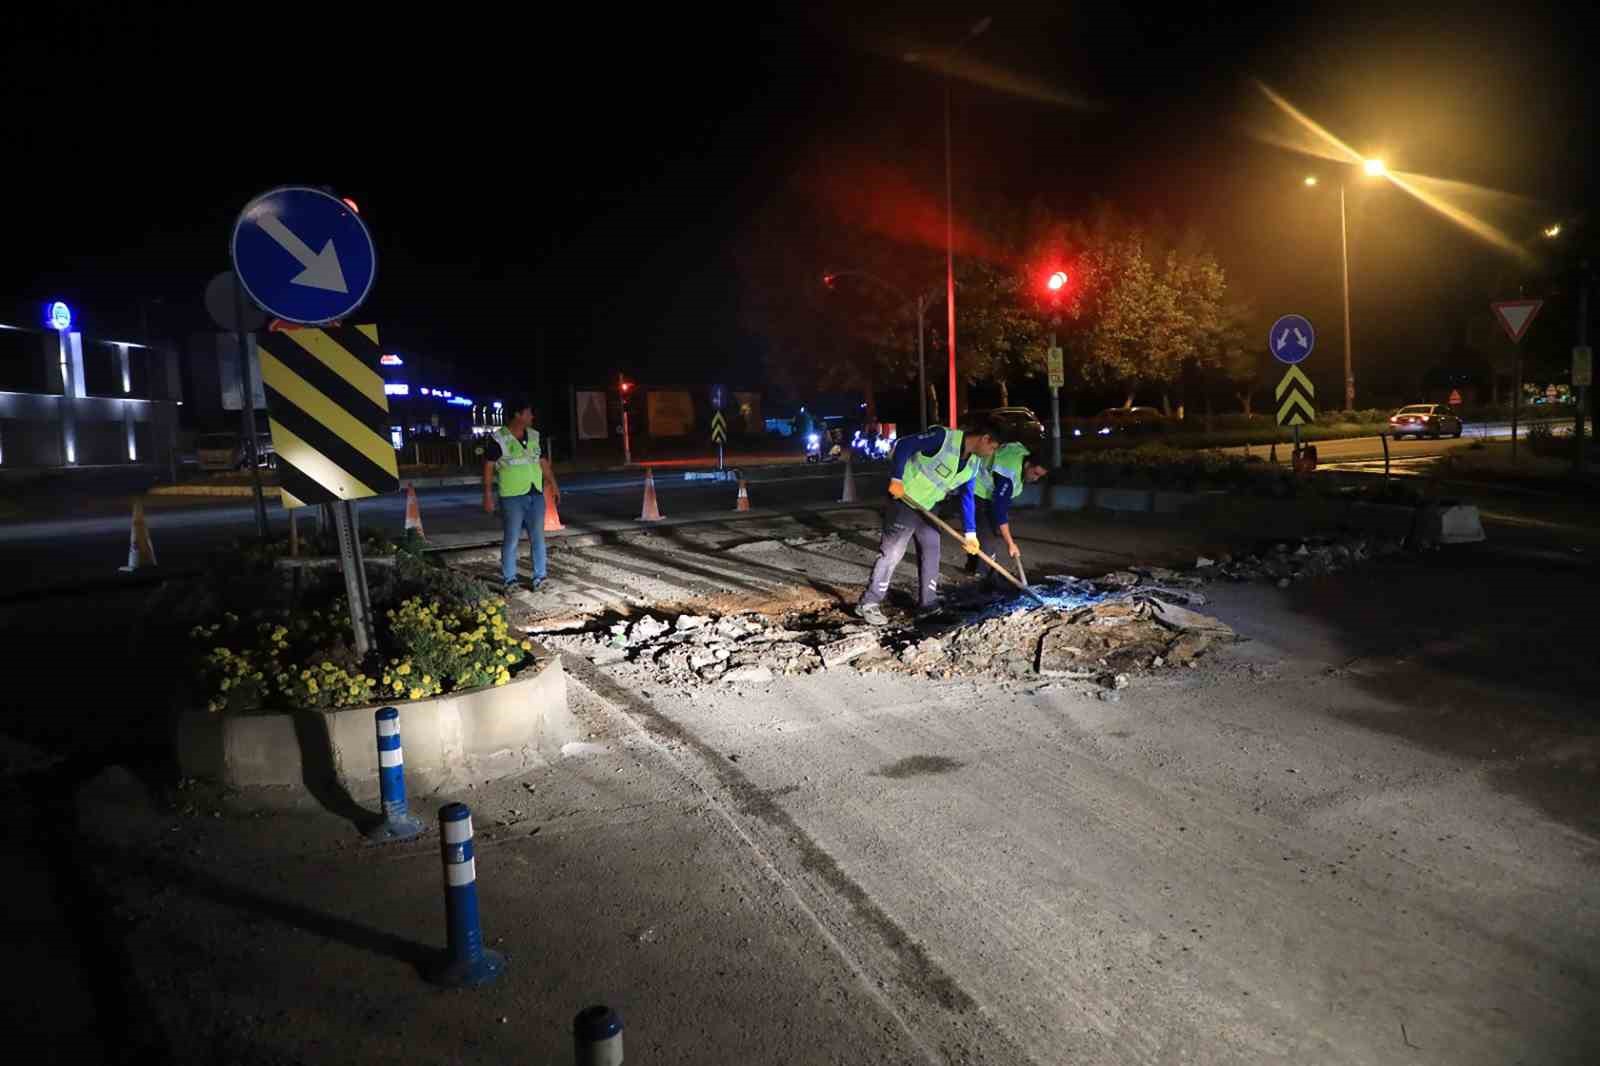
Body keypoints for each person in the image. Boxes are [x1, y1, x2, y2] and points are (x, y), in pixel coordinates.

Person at [855, 414, 1004, 626]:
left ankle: (928, 603)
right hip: (904, 500)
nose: (992, 453)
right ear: (985, 438)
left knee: (932, 549)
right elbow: (904, 445)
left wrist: (970, 533)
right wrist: (897, 478)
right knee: (893, 552)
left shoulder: (973, 464)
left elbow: (967, 496)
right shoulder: (943, 438)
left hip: (928, 508)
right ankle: (868, 603)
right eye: (993, 447)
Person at [481, 398, 560, 593]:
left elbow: (542, 462)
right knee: (511, 539)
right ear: (518, 414)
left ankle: (540, 578)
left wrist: (553, 484)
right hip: (511, 496)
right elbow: (488, 467)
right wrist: (488, 495)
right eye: (528, 413)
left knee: (538, 538)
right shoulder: (499, 438)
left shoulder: (534, 435)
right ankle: (510, 581)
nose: (532, 416)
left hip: (535, 494)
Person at [971, 443, 1050, 591]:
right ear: (1027, 465)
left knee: (988, 531)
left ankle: (973, 566)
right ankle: (983, 577)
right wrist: (1010, 543)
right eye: (1035, 473)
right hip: (976, 489)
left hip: (988, 493)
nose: (1035, 478)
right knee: (988, 536)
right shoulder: (1008, 473)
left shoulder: (1022, 456)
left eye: (1039, 476)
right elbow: (1000, 511)